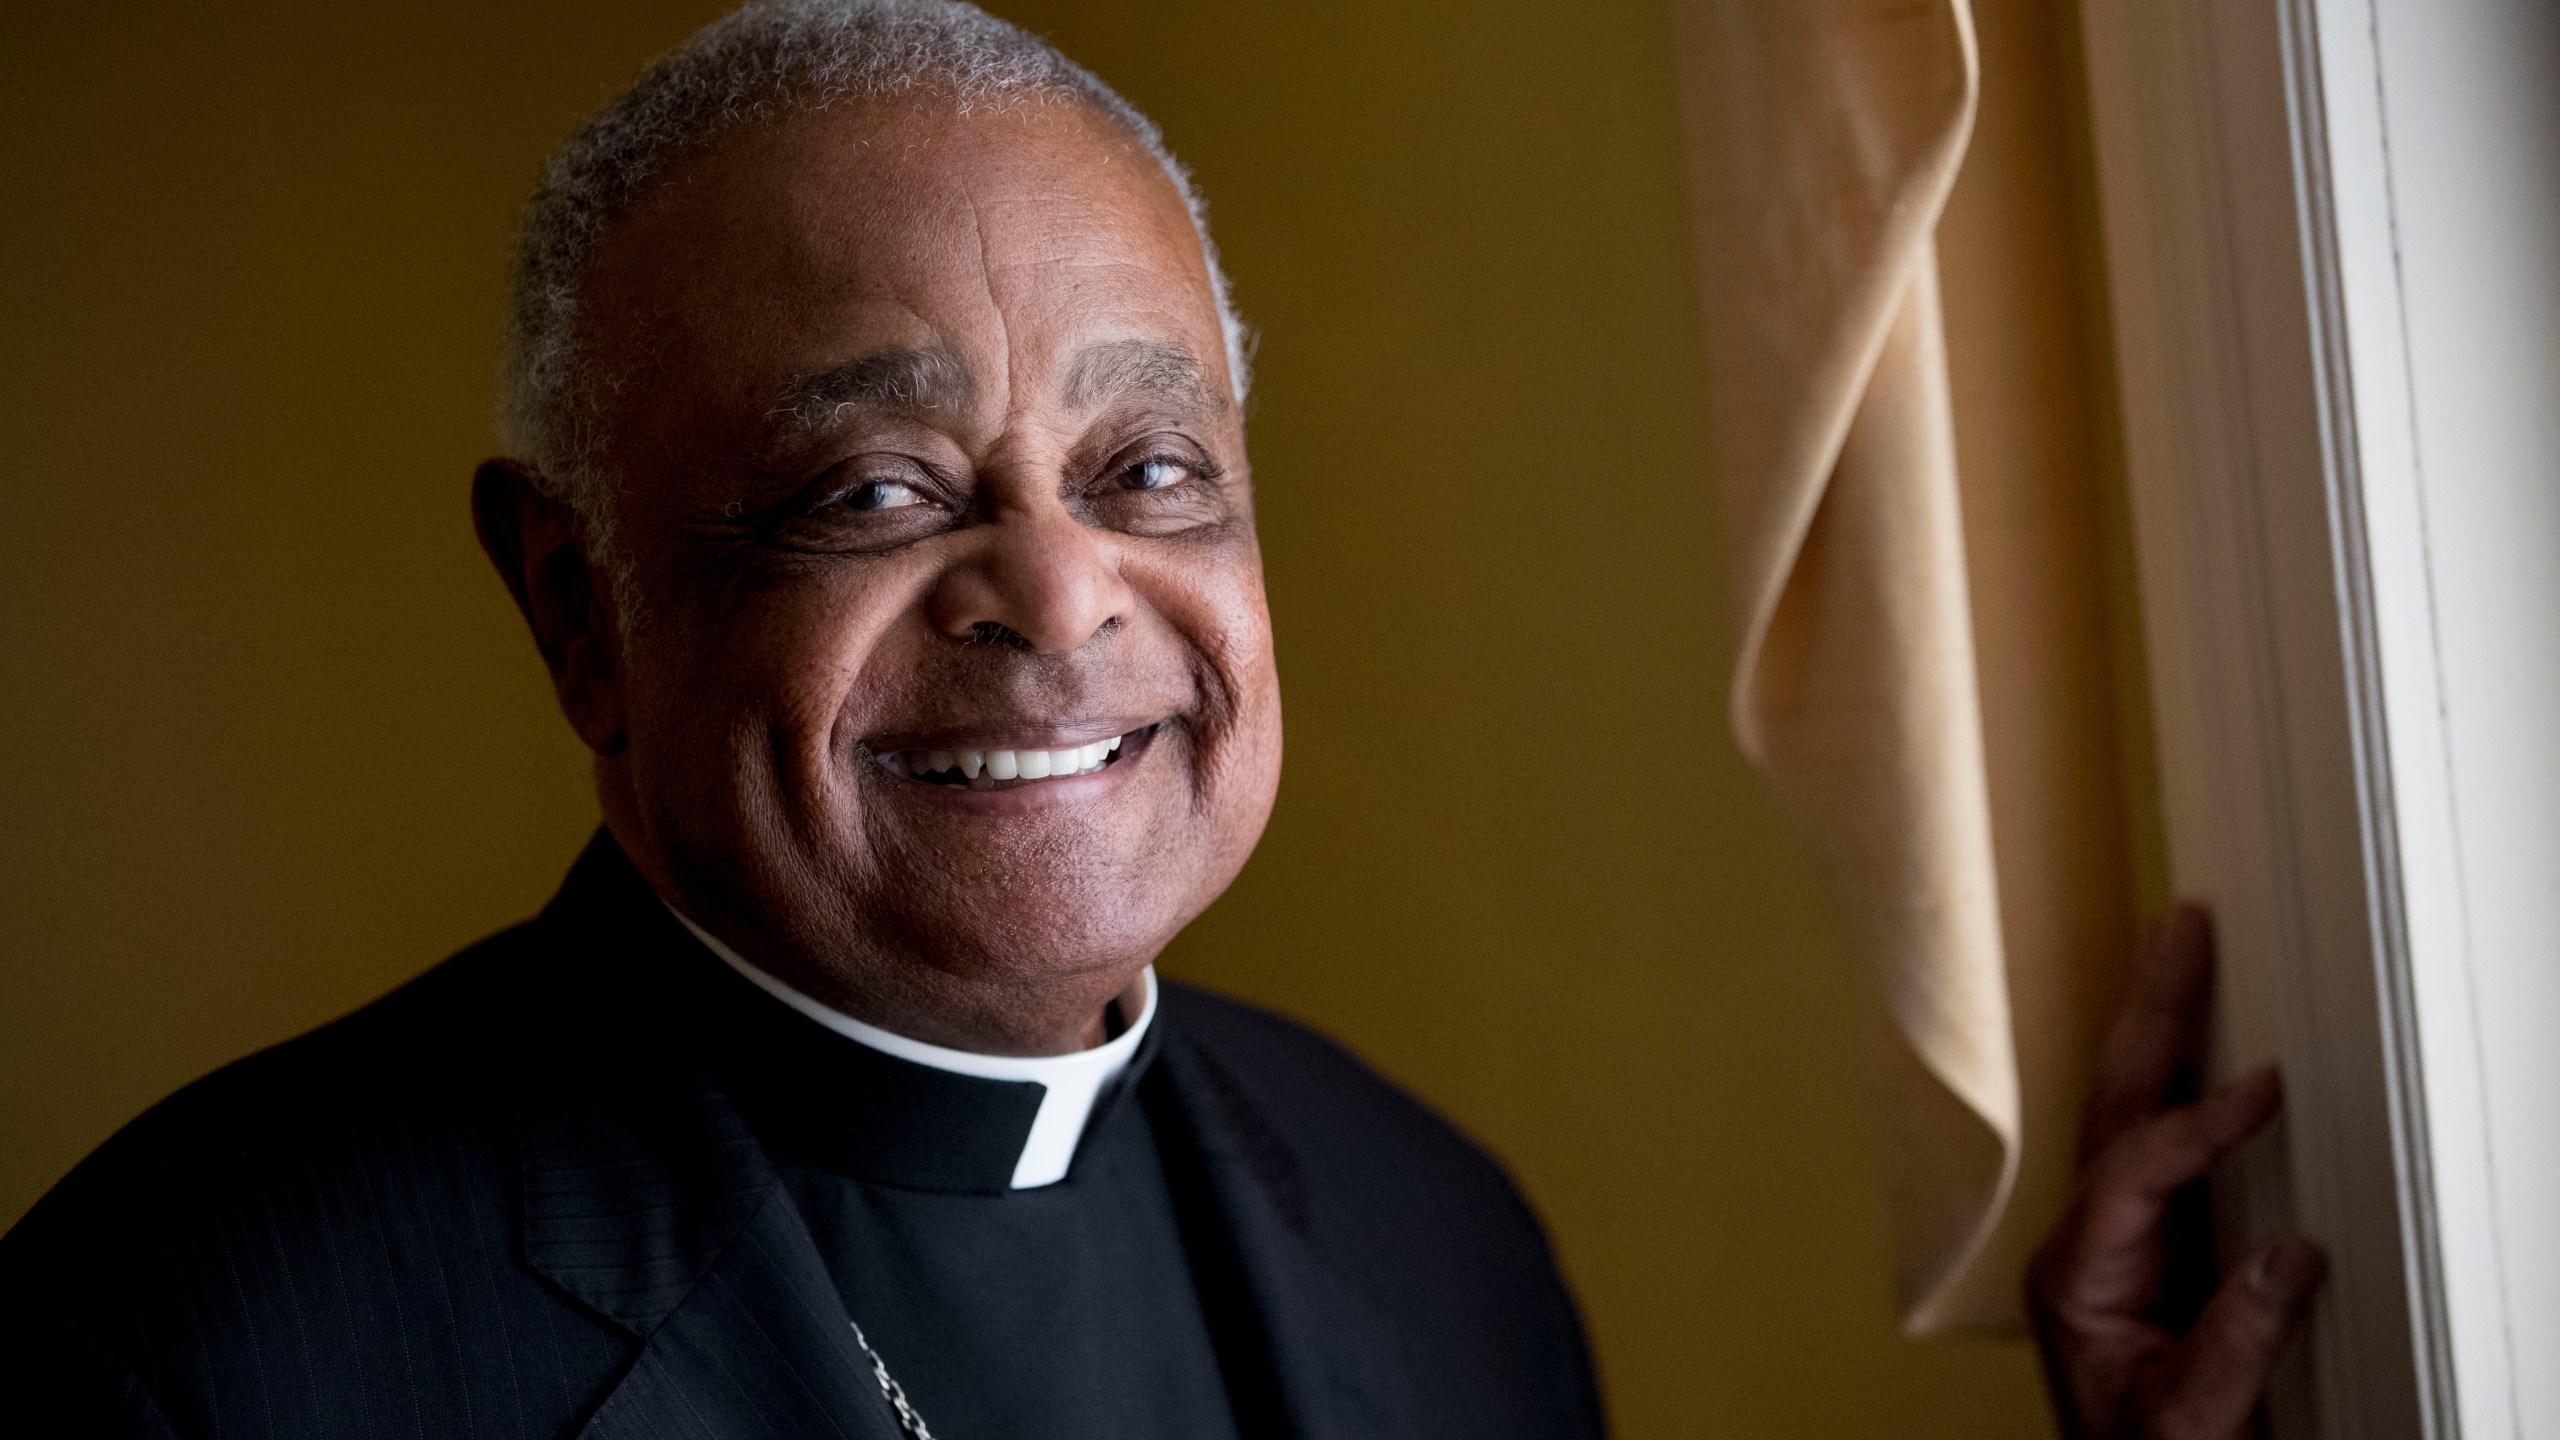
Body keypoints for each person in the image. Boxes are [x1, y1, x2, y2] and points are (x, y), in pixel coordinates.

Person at [0, 2, 2322, 1435]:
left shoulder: (1436, 1235)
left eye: (1149, 470)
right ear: (576, 607)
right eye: (874, 487)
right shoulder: (194, 1348)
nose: (1053, 588)